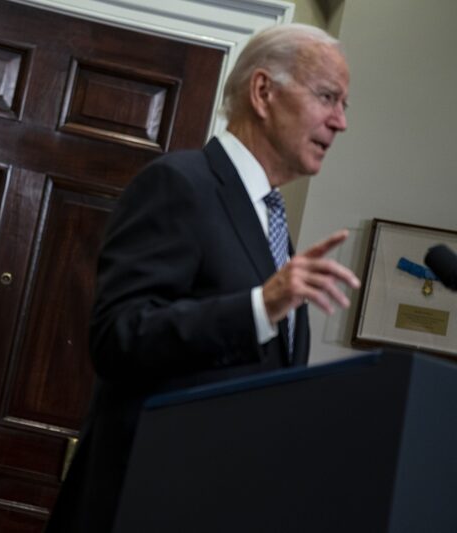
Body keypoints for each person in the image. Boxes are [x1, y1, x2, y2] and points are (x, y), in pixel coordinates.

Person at [45, 23, 361, 532]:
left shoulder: (271, 221)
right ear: (263, 92)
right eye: (328, 97)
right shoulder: (178, 184)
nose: (340, 121)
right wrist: (258, 307)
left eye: (344, 104)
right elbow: (117, 337)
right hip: (143, 504)